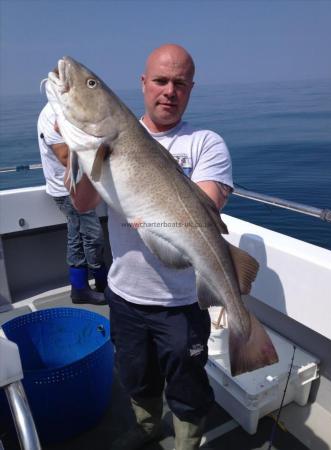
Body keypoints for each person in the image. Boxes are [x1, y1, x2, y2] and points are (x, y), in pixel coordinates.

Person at [68, 44, 233, 450]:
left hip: (180, 301)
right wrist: (91, 148)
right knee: (135, 373)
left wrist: (153, 196)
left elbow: (208, 206)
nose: (169, 91)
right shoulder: (108, 136)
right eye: (160, 81)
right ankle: (146, 427)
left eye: (179, 83)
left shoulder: (206, 143)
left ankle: (186, 442)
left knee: (187, 382)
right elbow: (83, 203)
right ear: (143, 83)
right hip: (125, 292)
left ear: (191, 88)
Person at [37, 103, 108, 305]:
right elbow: (65, 157)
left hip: (78, 184)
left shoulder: (69, 110)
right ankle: (101, 283)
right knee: (91, 236)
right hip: (67, 189)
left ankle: (80, 288)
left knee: (76, 234)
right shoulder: (52, 116)